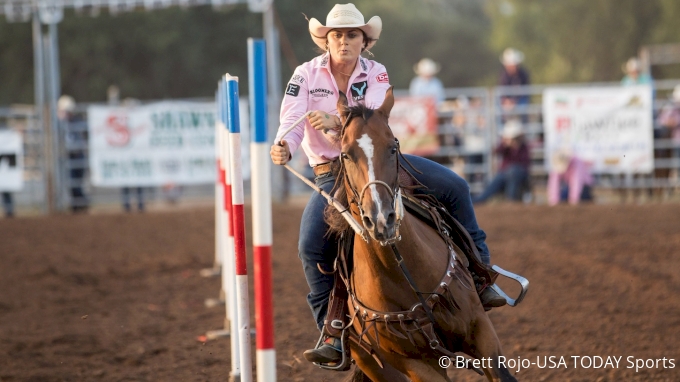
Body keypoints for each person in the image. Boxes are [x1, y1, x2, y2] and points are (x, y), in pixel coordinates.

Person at [270, 3, 506, 365]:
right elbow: (291, 120)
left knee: (455, 187)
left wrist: (334, 122)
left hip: (381, 162)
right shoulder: (304, 75)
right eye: (337, 35)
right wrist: (284, 144)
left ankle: (480, 274)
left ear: (364, 41)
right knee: (310, 245)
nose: (344, 42)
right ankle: (333, 330)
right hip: (333, 173)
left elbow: (375, 119)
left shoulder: (376, 73)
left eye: (352, 35)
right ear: (326, 40)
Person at [473, 120, 530, 204]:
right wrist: (506, 144)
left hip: (518, 174)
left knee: (513, 171)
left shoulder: (523, 147)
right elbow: (496, 151)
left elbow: (524, 164)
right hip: (504, 174)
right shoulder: (505, 147)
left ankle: (511, 201)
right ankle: (478, 200)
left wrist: (514, 147)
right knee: (495, 183)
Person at [58, 95, 89, 213]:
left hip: (78, 154)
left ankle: (80, 203)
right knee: (71, 182)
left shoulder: (77, 121)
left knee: (77, 181)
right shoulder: (60, 123)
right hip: (68, 156)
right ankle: (80, 203)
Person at [498, 48, 530, 123]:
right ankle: (502, 130)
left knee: (523, 108)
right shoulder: (503, 76)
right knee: (499, 110)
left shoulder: (523, 75)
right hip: (507, 102)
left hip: (520, 100)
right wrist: (506, 101)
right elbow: (501, 91)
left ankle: (524, 128)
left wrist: (514, 101)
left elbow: (524, 91)